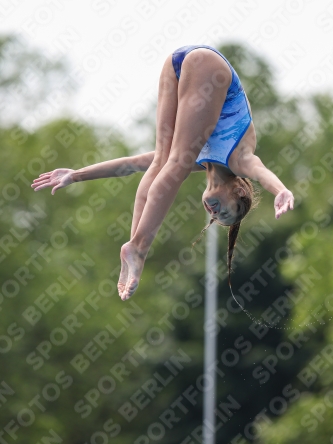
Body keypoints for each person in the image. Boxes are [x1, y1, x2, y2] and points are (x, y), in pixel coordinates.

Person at [31, 45, 294, 302]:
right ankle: (138, 249)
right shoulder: (238, 159)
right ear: (237, 190)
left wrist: (77, 174)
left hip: (176, 63)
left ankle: (134, 244)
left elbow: (132, 164)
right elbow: (261, 172)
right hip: (210, 67)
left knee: (161, 162)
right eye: (225, 211)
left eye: (217, 217)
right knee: (176, 163)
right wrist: (280, 190)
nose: (215, 213)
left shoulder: (200, 160)